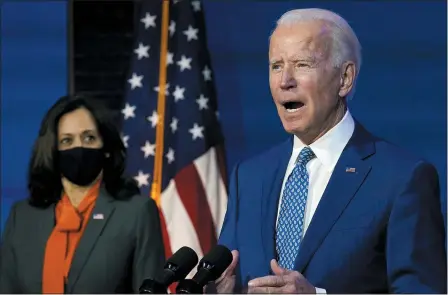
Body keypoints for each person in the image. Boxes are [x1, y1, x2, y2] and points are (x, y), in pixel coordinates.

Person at [215, 8, 447, 294]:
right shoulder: (248, 177)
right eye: (276, 65)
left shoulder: (402, 179)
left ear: (345, 78)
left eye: (302, 64)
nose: (284, 80)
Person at [0, 95, 165, 293]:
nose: (79, 147)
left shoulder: (136, 213)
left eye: (89, 138)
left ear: (105, 147)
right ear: (53, 150)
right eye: (67, 140)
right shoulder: (22, 216)